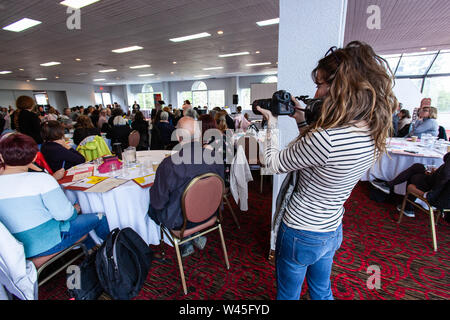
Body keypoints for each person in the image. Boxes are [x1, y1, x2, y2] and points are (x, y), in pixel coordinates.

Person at [256, 41, 397, 300]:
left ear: (341, 88)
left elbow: (271, 164)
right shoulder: (373, 131)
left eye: (320, 84)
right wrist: (301, 119)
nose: (317, 92)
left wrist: (271, 123)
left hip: (301, 230)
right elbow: (318, 158)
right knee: (321, 291)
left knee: (288, 295)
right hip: (331, 228)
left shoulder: (326, 139)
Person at [0, 133, 109, 259]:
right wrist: (75, 210)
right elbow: (65, 215)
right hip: (47, 241)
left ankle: (91, 253)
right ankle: (112, 253)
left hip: (11, 249)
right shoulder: (42, 180)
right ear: (35, 156)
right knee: (99, 217)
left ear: (2, 157)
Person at [148, 117, 225, 257]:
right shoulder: (215, 157)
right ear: (200, 135)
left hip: (182, 223)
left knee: (152, 206)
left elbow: (158, 203)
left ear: (178, 136)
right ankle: (195, 235)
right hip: (211, 214)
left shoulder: (169, 165)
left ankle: (184, 242)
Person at [370, 152, 450, 217]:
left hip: (435, 189)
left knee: (413, 176)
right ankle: (406, 206)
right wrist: (436, 172)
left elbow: (445, 175)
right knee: (417, 167)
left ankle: (406, 205)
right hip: (438, 184)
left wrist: (431, 194)